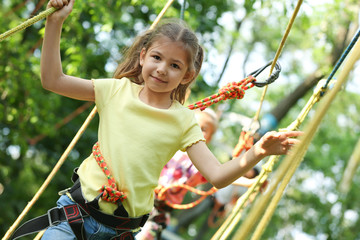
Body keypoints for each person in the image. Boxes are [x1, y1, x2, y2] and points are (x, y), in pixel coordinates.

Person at [11, 0, 302, 239]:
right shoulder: (116, 91)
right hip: (75, 216)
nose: (162, 69)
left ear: (186, 76)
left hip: (120, 232)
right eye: (157, 58)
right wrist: (55, 22)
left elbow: (217, 175)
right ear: (143, 57)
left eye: (175, 65)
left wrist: (259, 151)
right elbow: (53, 80)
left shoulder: (184, 121)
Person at [136, 108, 218, 240]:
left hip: (161, 209)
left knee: (146, 236)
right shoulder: (169, 146)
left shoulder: (199, 164)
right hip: (140, 196)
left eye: (203, 129)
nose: (196, 132)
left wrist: (249, 181)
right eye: (194, 126)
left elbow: (219, 174)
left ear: (209, 138)